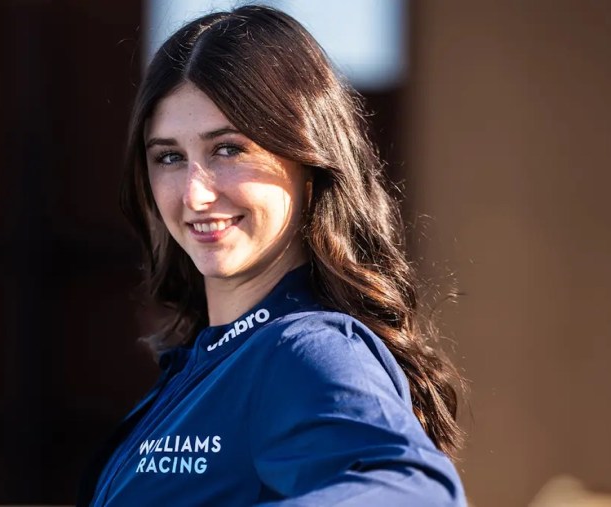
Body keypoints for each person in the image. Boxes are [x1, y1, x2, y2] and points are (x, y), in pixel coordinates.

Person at [80, 5, 467, 506]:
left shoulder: (306, 349)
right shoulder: (207, 366)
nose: (194, 194)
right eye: (169, 157)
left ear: (307, 160)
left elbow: (415, 496)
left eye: (228, 150)